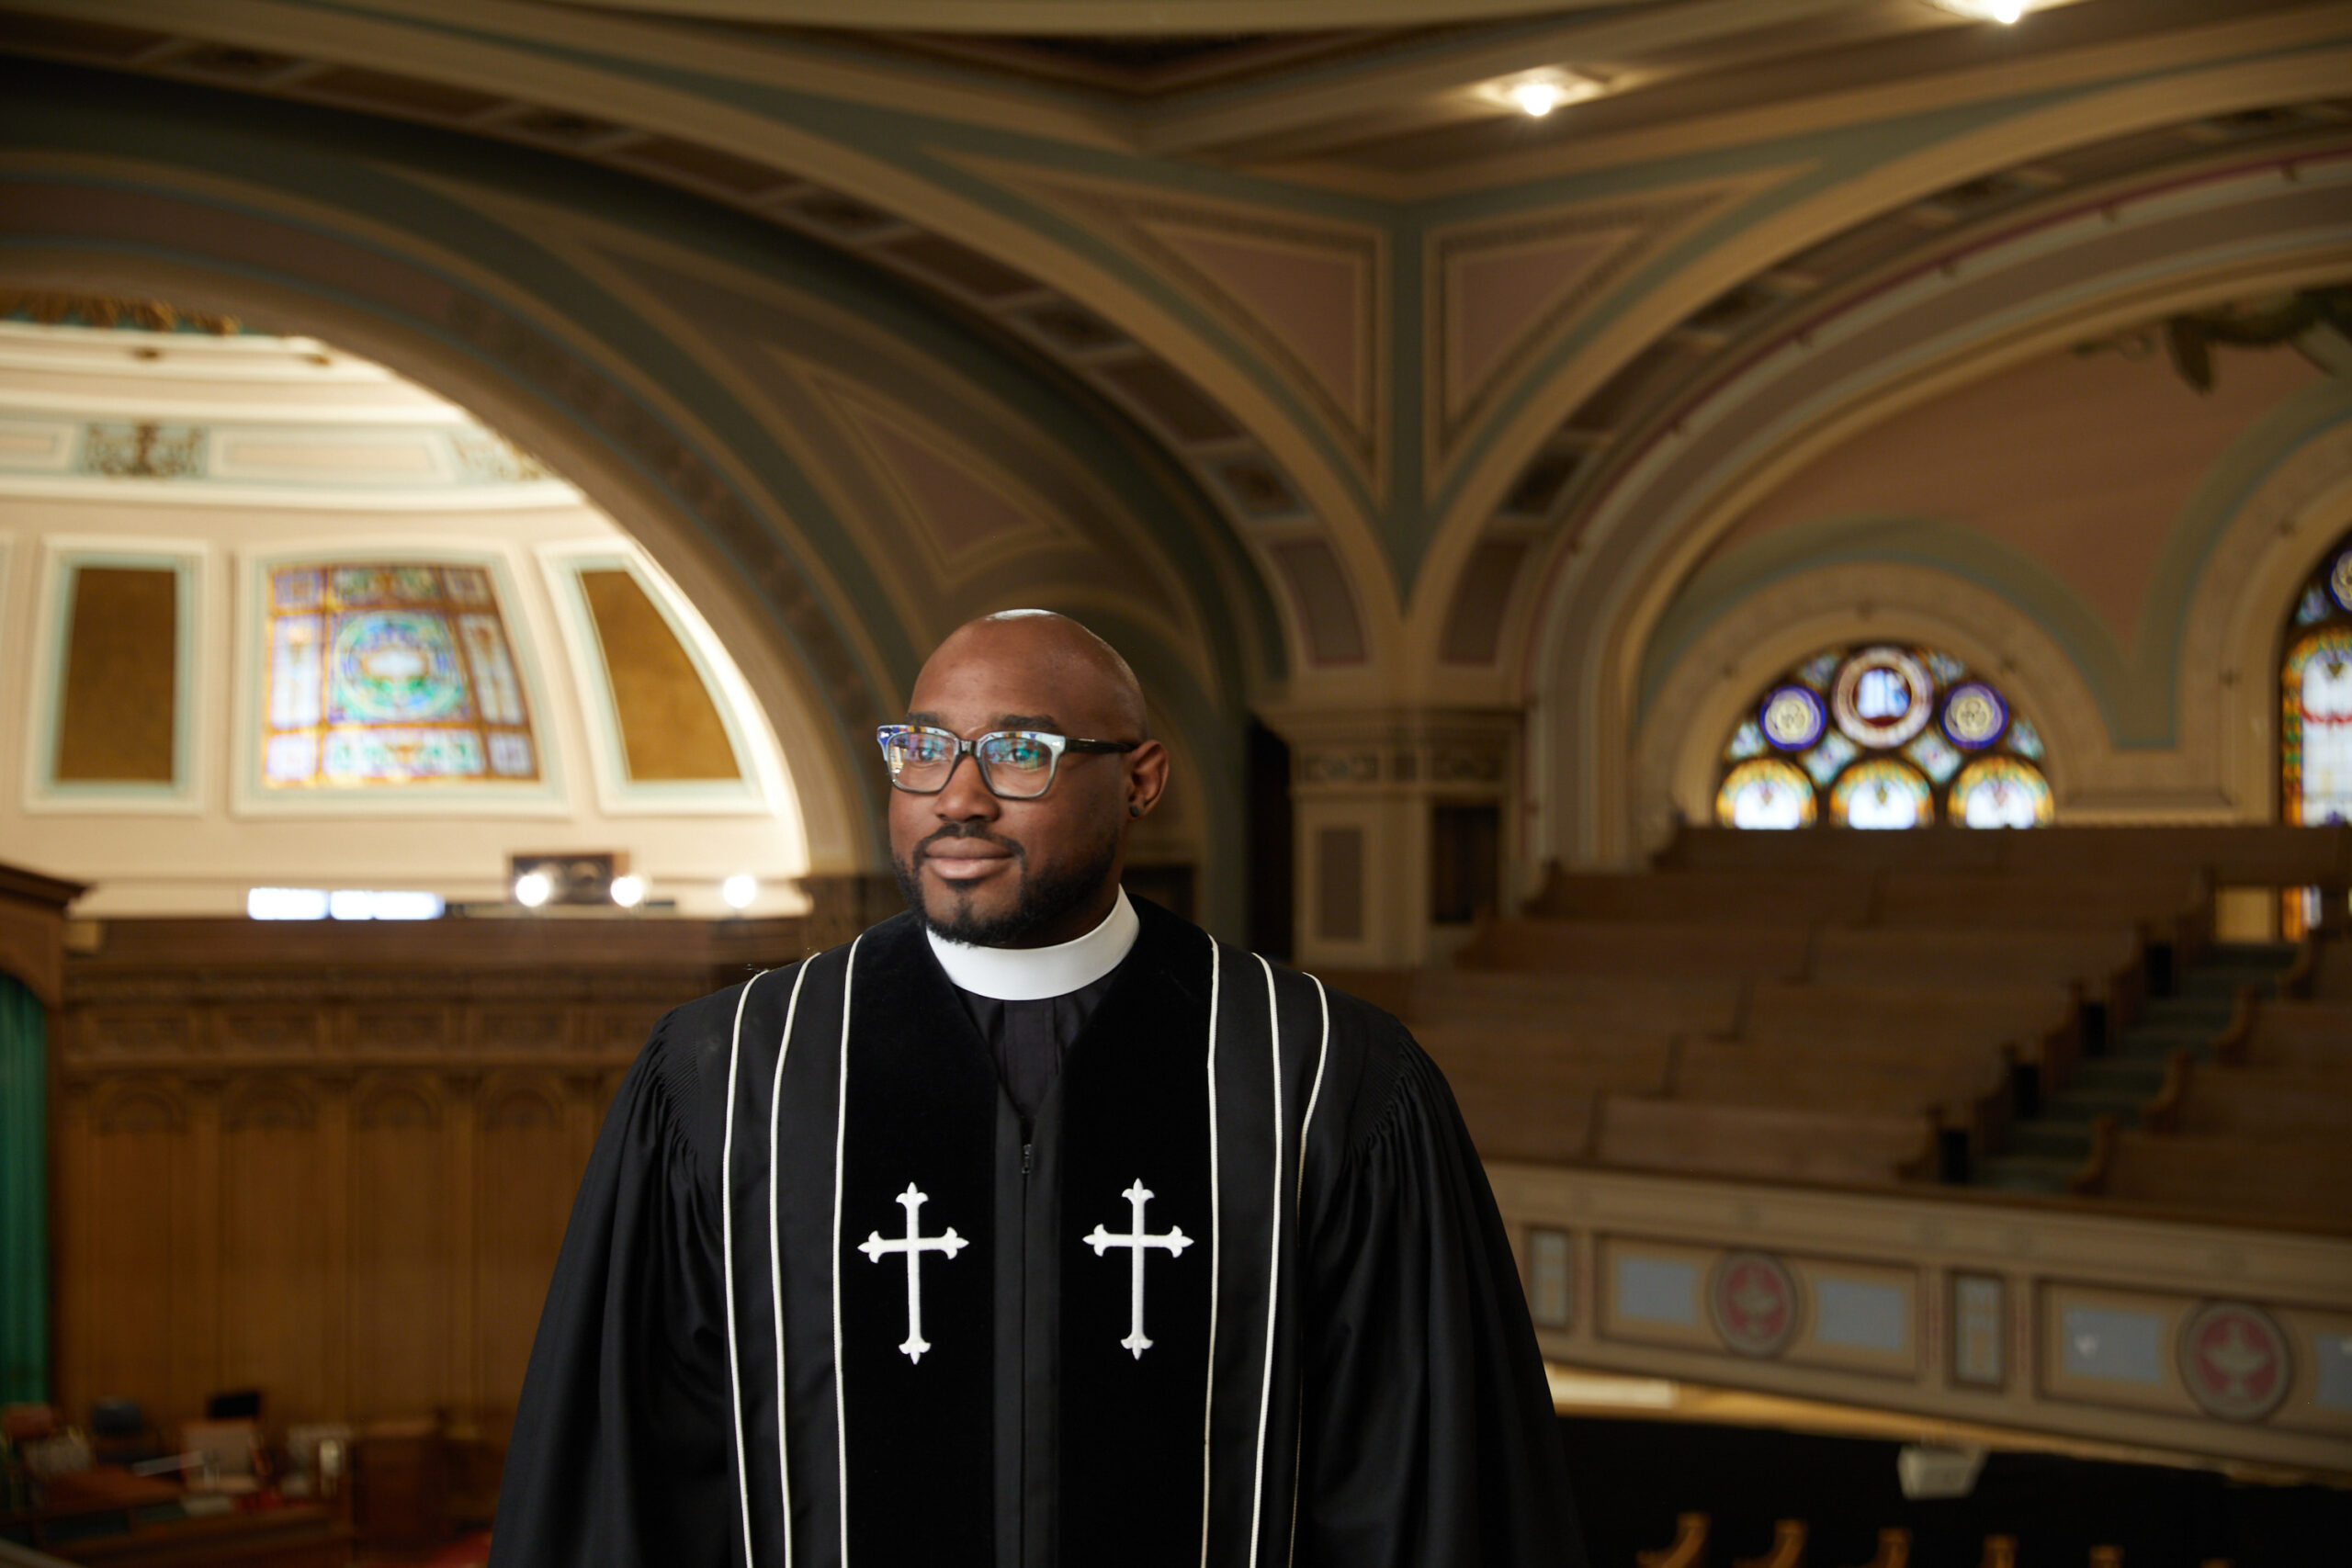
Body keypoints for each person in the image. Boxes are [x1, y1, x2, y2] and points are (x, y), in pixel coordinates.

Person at [489, 611, 1584, 1567]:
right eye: (922, 750)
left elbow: (1422, 1497)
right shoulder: (728, 1080)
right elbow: (628, 1491)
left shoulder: (1317, 1079)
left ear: (1141, 777)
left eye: (1019, 753)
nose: (957, 798)